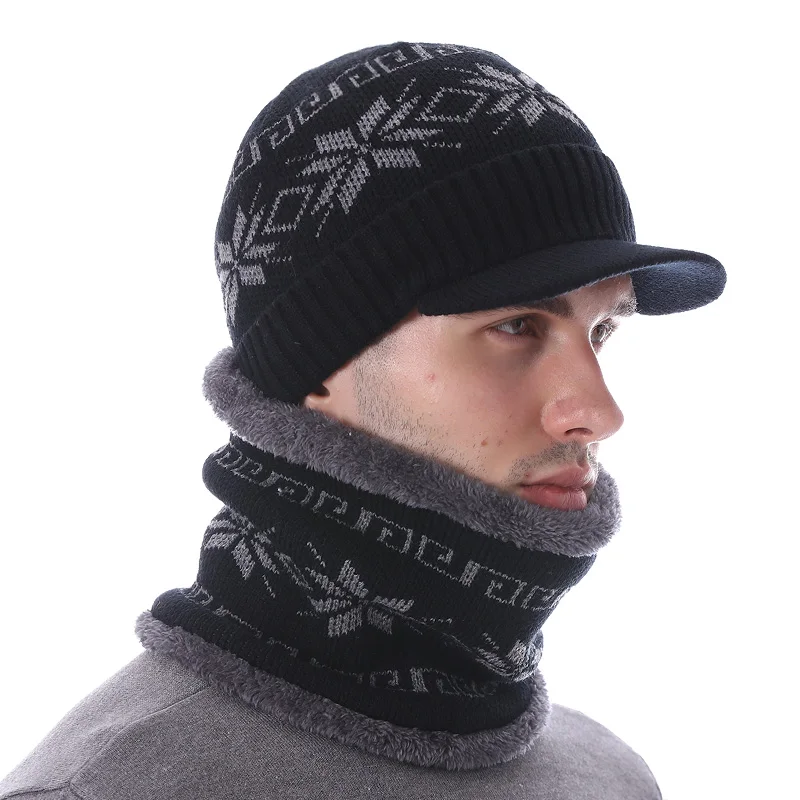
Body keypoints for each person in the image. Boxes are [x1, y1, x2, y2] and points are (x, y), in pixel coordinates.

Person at [0, 40, 726, 800]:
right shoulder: (106, 788)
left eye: (602, 330)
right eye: (516, 326)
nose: (600, 413)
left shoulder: (608, 776)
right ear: (317, 360)